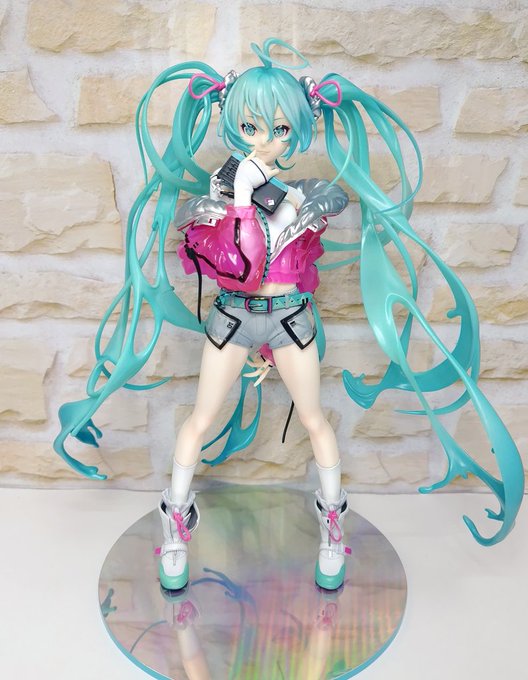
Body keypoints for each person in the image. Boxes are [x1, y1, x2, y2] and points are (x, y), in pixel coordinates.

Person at [54, 39, 524, 593]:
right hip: (232, 318)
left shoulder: (307, 195)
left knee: (314, 419)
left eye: (280, 129)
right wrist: (238, 198)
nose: (265, 140)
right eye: (251, 127)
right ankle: (176, 523)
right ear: (234, 125)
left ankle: (332, 524)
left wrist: (276, 197)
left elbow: (321, 211)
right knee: (200, 419)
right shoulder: (217, 194)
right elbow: (231, 261)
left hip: (290, 318)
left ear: (298, 130)